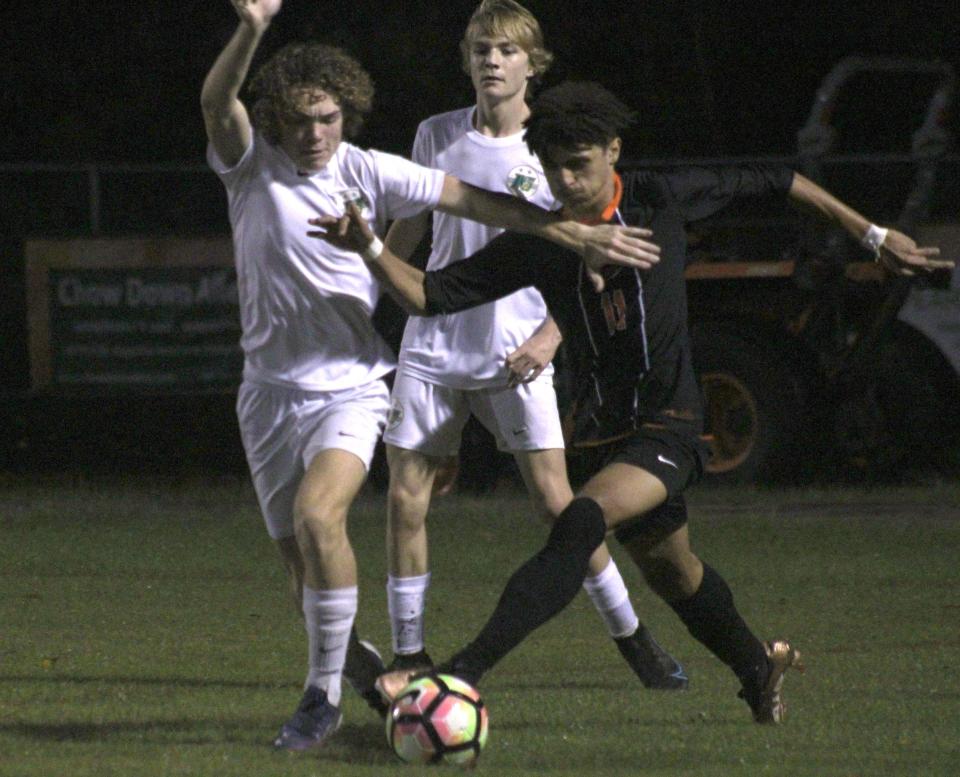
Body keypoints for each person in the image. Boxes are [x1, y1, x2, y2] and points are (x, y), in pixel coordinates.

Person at [312, 81, 949, 725]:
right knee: (674, 574)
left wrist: (873, 234)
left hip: (668, 422)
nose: (565, 180)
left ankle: (456, 677)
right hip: (595, 430)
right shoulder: (542, 238)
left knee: (580, 522)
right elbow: (429, 296)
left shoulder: (659, 197)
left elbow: (775, 179)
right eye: (553, 166)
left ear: (613, 151)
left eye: (580, 163)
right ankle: (758, 665)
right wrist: (368, 245)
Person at [201, 0, 660, 751]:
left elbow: (482, 203)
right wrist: (251, 28)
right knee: (299, 567)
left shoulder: (368, 171)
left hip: (350, 384)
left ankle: (318, 698)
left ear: (346, 114)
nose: (318, 134)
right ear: (276, 122)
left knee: (324, 519)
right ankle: (353, 663)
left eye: (330, 117)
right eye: (302, 121)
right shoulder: (250, 167)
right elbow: (216, 101)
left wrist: (576, 234)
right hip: (266, 394)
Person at [379, 0, 686, 690]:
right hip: (432, 343)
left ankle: (634, 638)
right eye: (482, 48)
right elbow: (407, 230)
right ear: (466, 58)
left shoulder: (547, 147)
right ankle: (409, 654)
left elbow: (585, 250)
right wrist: (381, 309)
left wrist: (553, 333)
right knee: (405, 498)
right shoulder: (435, 133)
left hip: (516, 344)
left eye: (507, 50)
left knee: (559, 504)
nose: (493, 60)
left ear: (532, 63)